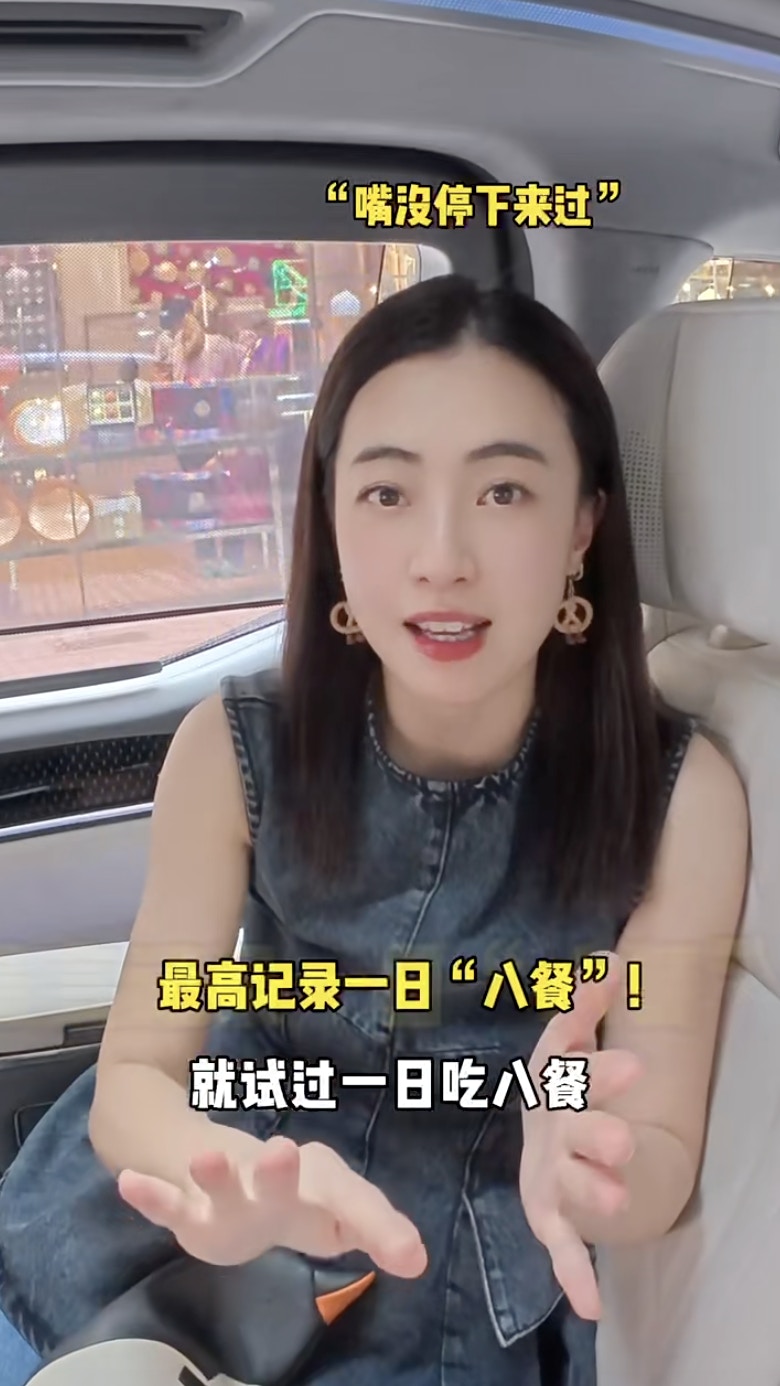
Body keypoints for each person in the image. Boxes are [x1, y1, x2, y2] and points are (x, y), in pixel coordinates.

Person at [0, 276, 748, 1385]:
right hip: (185, 1247)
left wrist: (597, 1173)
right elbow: (140, 1076)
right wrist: (216, 1176)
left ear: (584, 526)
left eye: (504, 490)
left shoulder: (681, 796)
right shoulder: (234, 750)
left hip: (470, 1295)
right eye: (388, 492)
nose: (441, 555)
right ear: (333, 518)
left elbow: (661, 1146)